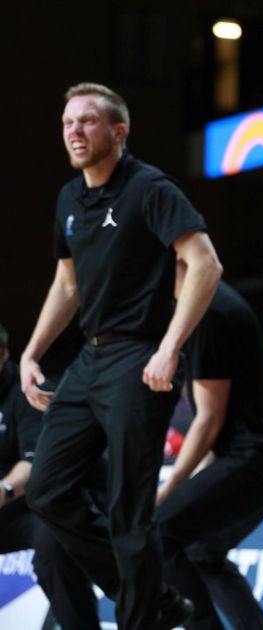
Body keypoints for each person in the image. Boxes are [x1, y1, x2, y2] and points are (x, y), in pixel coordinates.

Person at [20, 82, 222, 630]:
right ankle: (154, 601)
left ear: (118, 131)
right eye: (68, 123)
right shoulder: (69, 198)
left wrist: (168, 347)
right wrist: (32, 352)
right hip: (89, 358)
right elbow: (67, 285)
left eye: (87, 121)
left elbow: (205, 264)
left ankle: (144, 614)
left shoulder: (150, 188)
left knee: (130, 513)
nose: (75, 131)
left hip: (139, 358)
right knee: (46, 489)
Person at [154, 269, 263, 630]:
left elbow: (209, 419)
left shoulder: (209, 310)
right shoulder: (203, 306)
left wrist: (171, 487)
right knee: (202, 551)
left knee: (162, 532)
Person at [0, 324, 100, 629]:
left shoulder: (27, 390)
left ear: (2, 354)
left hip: (34, 508)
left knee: (53, 548)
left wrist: (3, 489)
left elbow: (34, 464)